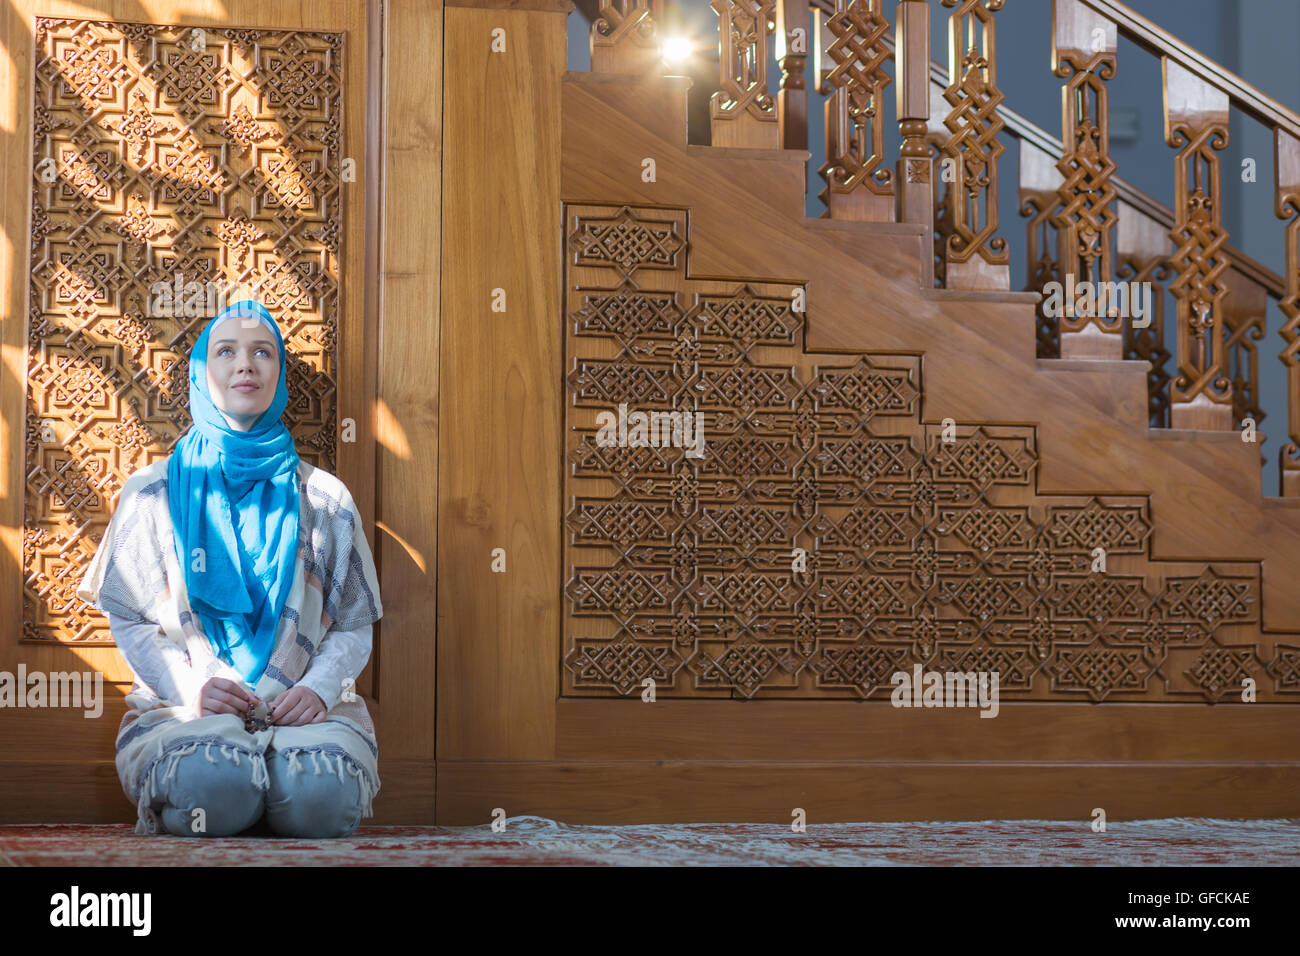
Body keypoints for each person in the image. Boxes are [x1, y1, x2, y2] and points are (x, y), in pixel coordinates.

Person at [77, 300, 383, 838]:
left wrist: (317, 688)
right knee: (212, 788)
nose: (246, 365)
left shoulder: (325, 498)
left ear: (278, 374)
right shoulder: (153, 493)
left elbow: (355, 622)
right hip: (185, 709)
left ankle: (277, 786)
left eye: (263, 352)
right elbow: (130, 618)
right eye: (227, 352)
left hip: (306, 713)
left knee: (322, 799)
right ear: (202, 372)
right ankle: (244, 786)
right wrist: (193, 688)